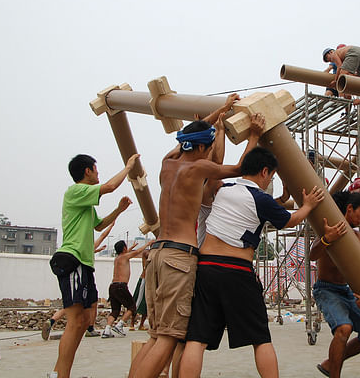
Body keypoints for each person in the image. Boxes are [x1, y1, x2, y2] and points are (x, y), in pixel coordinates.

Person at [128, 111, 265, 378]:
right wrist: (255, 136)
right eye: (209, 146)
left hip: (156, 253)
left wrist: (214, 119)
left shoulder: (167, 164)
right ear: (202, 146)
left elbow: (185, 141)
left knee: (157, 336)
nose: (211, 151)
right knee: (169, 338)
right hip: (178, 258)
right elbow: (240, 169)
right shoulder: (199, 168)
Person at [179, 147, 326, 378]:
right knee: (260, 338)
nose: (271, 180)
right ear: (264, 172)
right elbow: (289, 220)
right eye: (272, 176)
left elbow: (251, 210)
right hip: (236, 271)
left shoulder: (223, 190)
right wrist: (307, 205)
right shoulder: (260, 198)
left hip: (206, 268)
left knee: (196, 339)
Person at [48, 153, 138, 378]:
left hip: (85, 264)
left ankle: (61, 372)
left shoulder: (85, 201)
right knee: (75, 320)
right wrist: (128, 168)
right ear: (87, 171)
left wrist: (119, 211)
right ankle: (61, 374)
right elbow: (109, 186)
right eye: (96, 169)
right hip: (72, 259)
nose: (98, 173)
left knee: (85, 321)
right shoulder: (75, 191)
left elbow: (99, 226)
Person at [310, 191, 360, 378]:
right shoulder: (329, 229)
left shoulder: (359, 237)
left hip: (346, 290)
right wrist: (328, 239)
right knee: (344, 328)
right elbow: (312, 255)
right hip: (326, 289)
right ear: (349, 208)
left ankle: (331, 364)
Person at [42, 221, 115, 340]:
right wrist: (111, 226)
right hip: (84, 276)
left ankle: (52, 320)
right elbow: (102, 236)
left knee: (71, 306)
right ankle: (90, 328)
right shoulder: (85, 247)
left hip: (73, 274)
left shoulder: (80, 248)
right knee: (91, 304)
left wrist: (97, 250)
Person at [102, 238, 155, 338]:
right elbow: (138, 252)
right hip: (121, 286)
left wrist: (130, 248)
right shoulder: (125, 257)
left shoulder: (117, 258)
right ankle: (120, 325)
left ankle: (107, 330)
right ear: (124, 249)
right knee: (132, 307)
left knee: (115, 310)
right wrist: (148, 244)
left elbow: (126, 253)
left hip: (112, 286)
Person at [131, 249, 150, 331]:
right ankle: (132, 323)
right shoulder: (148, 253)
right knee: (137, 302)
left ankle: (141, 324)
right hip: (144, 280)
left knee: (146, 304)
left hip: (149, 281)